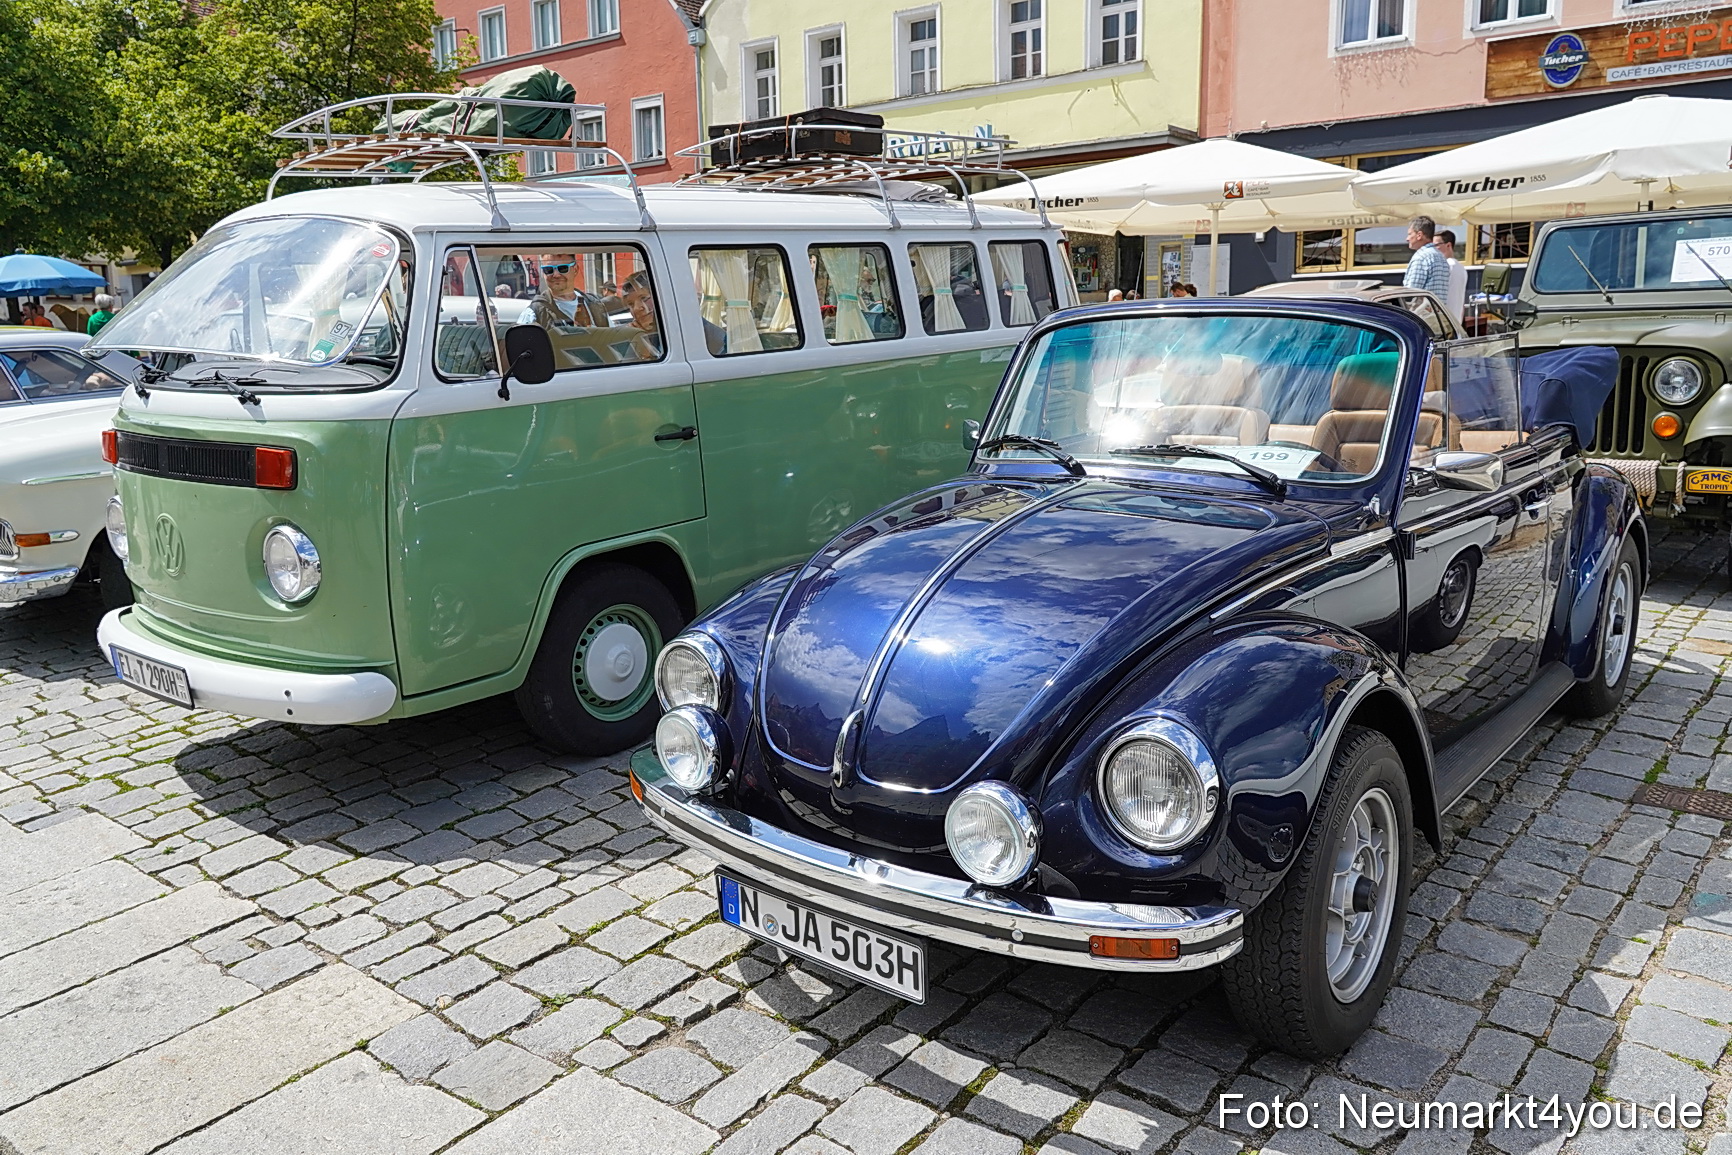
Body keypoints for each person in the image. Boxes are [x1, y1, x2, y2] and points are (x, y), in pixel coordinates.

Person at [518, 254, 610, 330]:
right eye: (549, 269)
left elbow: (612, 338)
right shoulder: (534, 313)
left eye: (562, 268)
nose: (556, 275)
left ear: (575, 270)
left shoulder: (594, 304)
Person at [1403, 216, 1450, 298]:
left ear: (1419, 235)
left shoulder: (1421, 257)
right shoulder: (1441, 257)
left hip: (1423, 306)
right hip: (1439, 305)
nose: (1407, 239)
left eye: (1410, 234)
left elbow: (1410, 294)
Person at [1435, 229, 1469, 326]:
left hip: (1444, 322)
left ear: (1448, 245)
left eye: (1436, 245)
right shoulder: (1461, 268)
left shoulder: (1446, 266)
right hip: (1456, 322)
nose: (1433, 248)